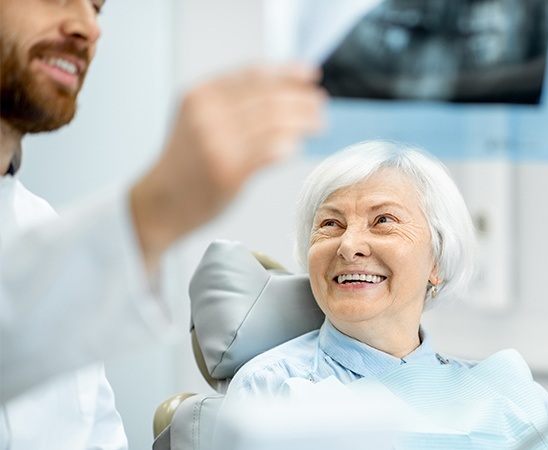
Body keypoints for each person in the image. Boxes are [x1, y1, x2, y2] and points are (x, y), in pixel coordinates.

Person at [0, 0, 325, 447]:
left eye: (98, 7)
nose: (88, 27)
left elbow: (96, 434)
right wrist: (152, 212)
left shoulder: (38, 223)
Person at [220, 140, 548, 448]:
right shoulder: (272, 388)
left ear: (436, 259)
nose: (349, 246)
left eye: (383, 221)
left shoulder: (511, 396)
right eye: (331, 224)